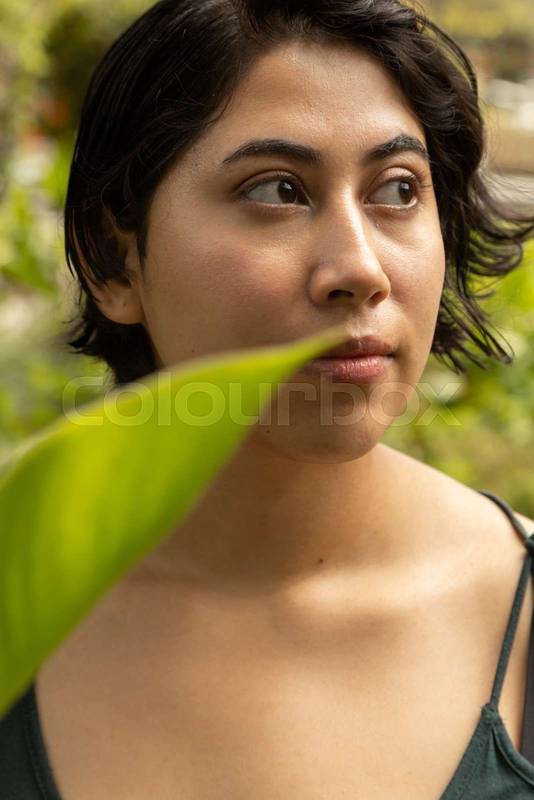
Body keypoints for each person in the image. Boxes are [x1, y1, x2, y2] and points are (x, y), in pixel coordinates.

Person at [2, 0, 534, 797]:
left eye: (397, 189)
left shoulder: (518, 613)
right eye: (278, 189)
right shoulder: (23, 605)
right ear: (113, 259)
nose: (360, 268)